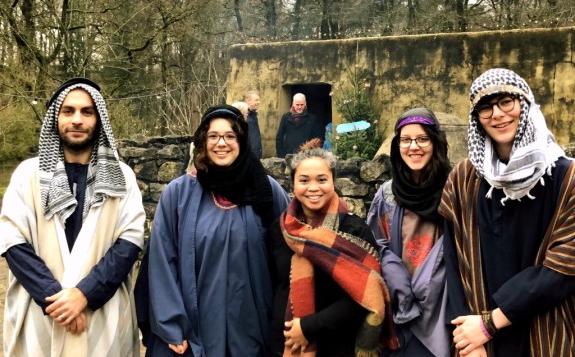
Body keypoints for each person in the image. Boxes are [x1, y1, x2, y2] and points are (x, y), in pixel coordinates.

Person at [0, 77, 145, 356]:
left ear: (98, 120)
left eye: (87, 112)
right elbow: (13, 242)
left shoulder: (122, 177)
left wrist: (84, 295)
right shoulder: (28, 175)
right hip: (39, 316)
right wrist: (58, 303)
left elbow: (129, 243)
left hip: (102, 315)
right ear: (56, 118)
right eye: (68, 111)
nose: (77, 120)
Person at [439, 68, 575, 357]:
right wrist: (466, 338)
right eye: (486, 107)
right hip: (479, 340)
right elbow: (454, 261)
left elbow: (565, 268)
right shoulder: (463, 178)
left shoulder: (567, 178)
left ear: (525, 103)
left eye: (506, 102)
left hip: (547, 333)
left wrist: (491, 323)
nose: (497, 114)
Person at [135, 104, 290, 357]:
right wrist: (172, 325)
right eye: (214, 136)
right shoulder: (179, 194)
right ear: (202, 142)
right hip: (196, 329)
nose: (222, 143)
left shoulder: (266, 189)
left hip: (253, 325)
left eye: (230, 136)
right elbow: (162, 261)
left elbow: (289, 256)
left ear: (242, 141)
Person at [268, 139, 399, 357]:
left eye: (321, 179)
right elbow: (276, 286)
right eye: (304, 180)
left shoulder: (354, 231)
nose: (313, 188)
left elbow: (366, 295)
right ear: (293, 183)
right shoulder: (280, 230)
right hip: (284, 345)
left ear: (333, 181)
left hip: (337, 345)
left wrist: (309, 327)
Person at [366, 108, 452, 356]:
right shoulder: (387, 194)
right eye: (406, 140)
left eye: (423, 139)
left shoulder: (454, 190)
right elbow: (372, 245)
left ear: (436, 143)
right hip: (399, 308)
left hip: (443, 307)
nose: (414, 147)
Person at [275, 93, 324, 157]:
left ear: (305, 104)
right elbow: (279, 138)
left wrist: (312, 155)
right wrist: (281, 155)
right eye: (297, 105)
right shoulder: (286, 117)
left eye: (302, 105)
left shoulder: (312, 119)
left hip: (306, 156)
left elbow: (317, 140)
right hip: (289, 155)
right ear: (293, 104)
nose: (300, 107)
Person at [245, 91, 263, 158]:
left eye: (259, 100)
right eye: (256, 100)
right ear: (248, 101)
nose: (258, 102)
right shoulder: (245, 117)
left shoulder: (253, 115)